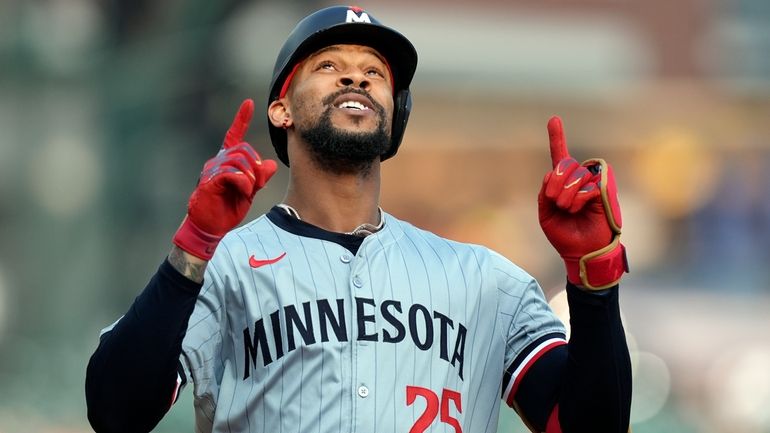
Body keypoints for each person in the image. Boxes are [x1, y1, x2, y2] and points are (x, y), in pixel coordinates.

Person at [85, 5, 632, 433]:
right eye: (330, 66)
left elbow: (589, 425)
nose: (358, 79)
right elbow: (116, 412)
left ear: (397, 116)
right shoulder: (225, 267)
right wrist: (195, 245)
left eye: (374, 72)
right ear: (282, 109)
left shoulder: (483, 280)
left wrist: (594, 280)